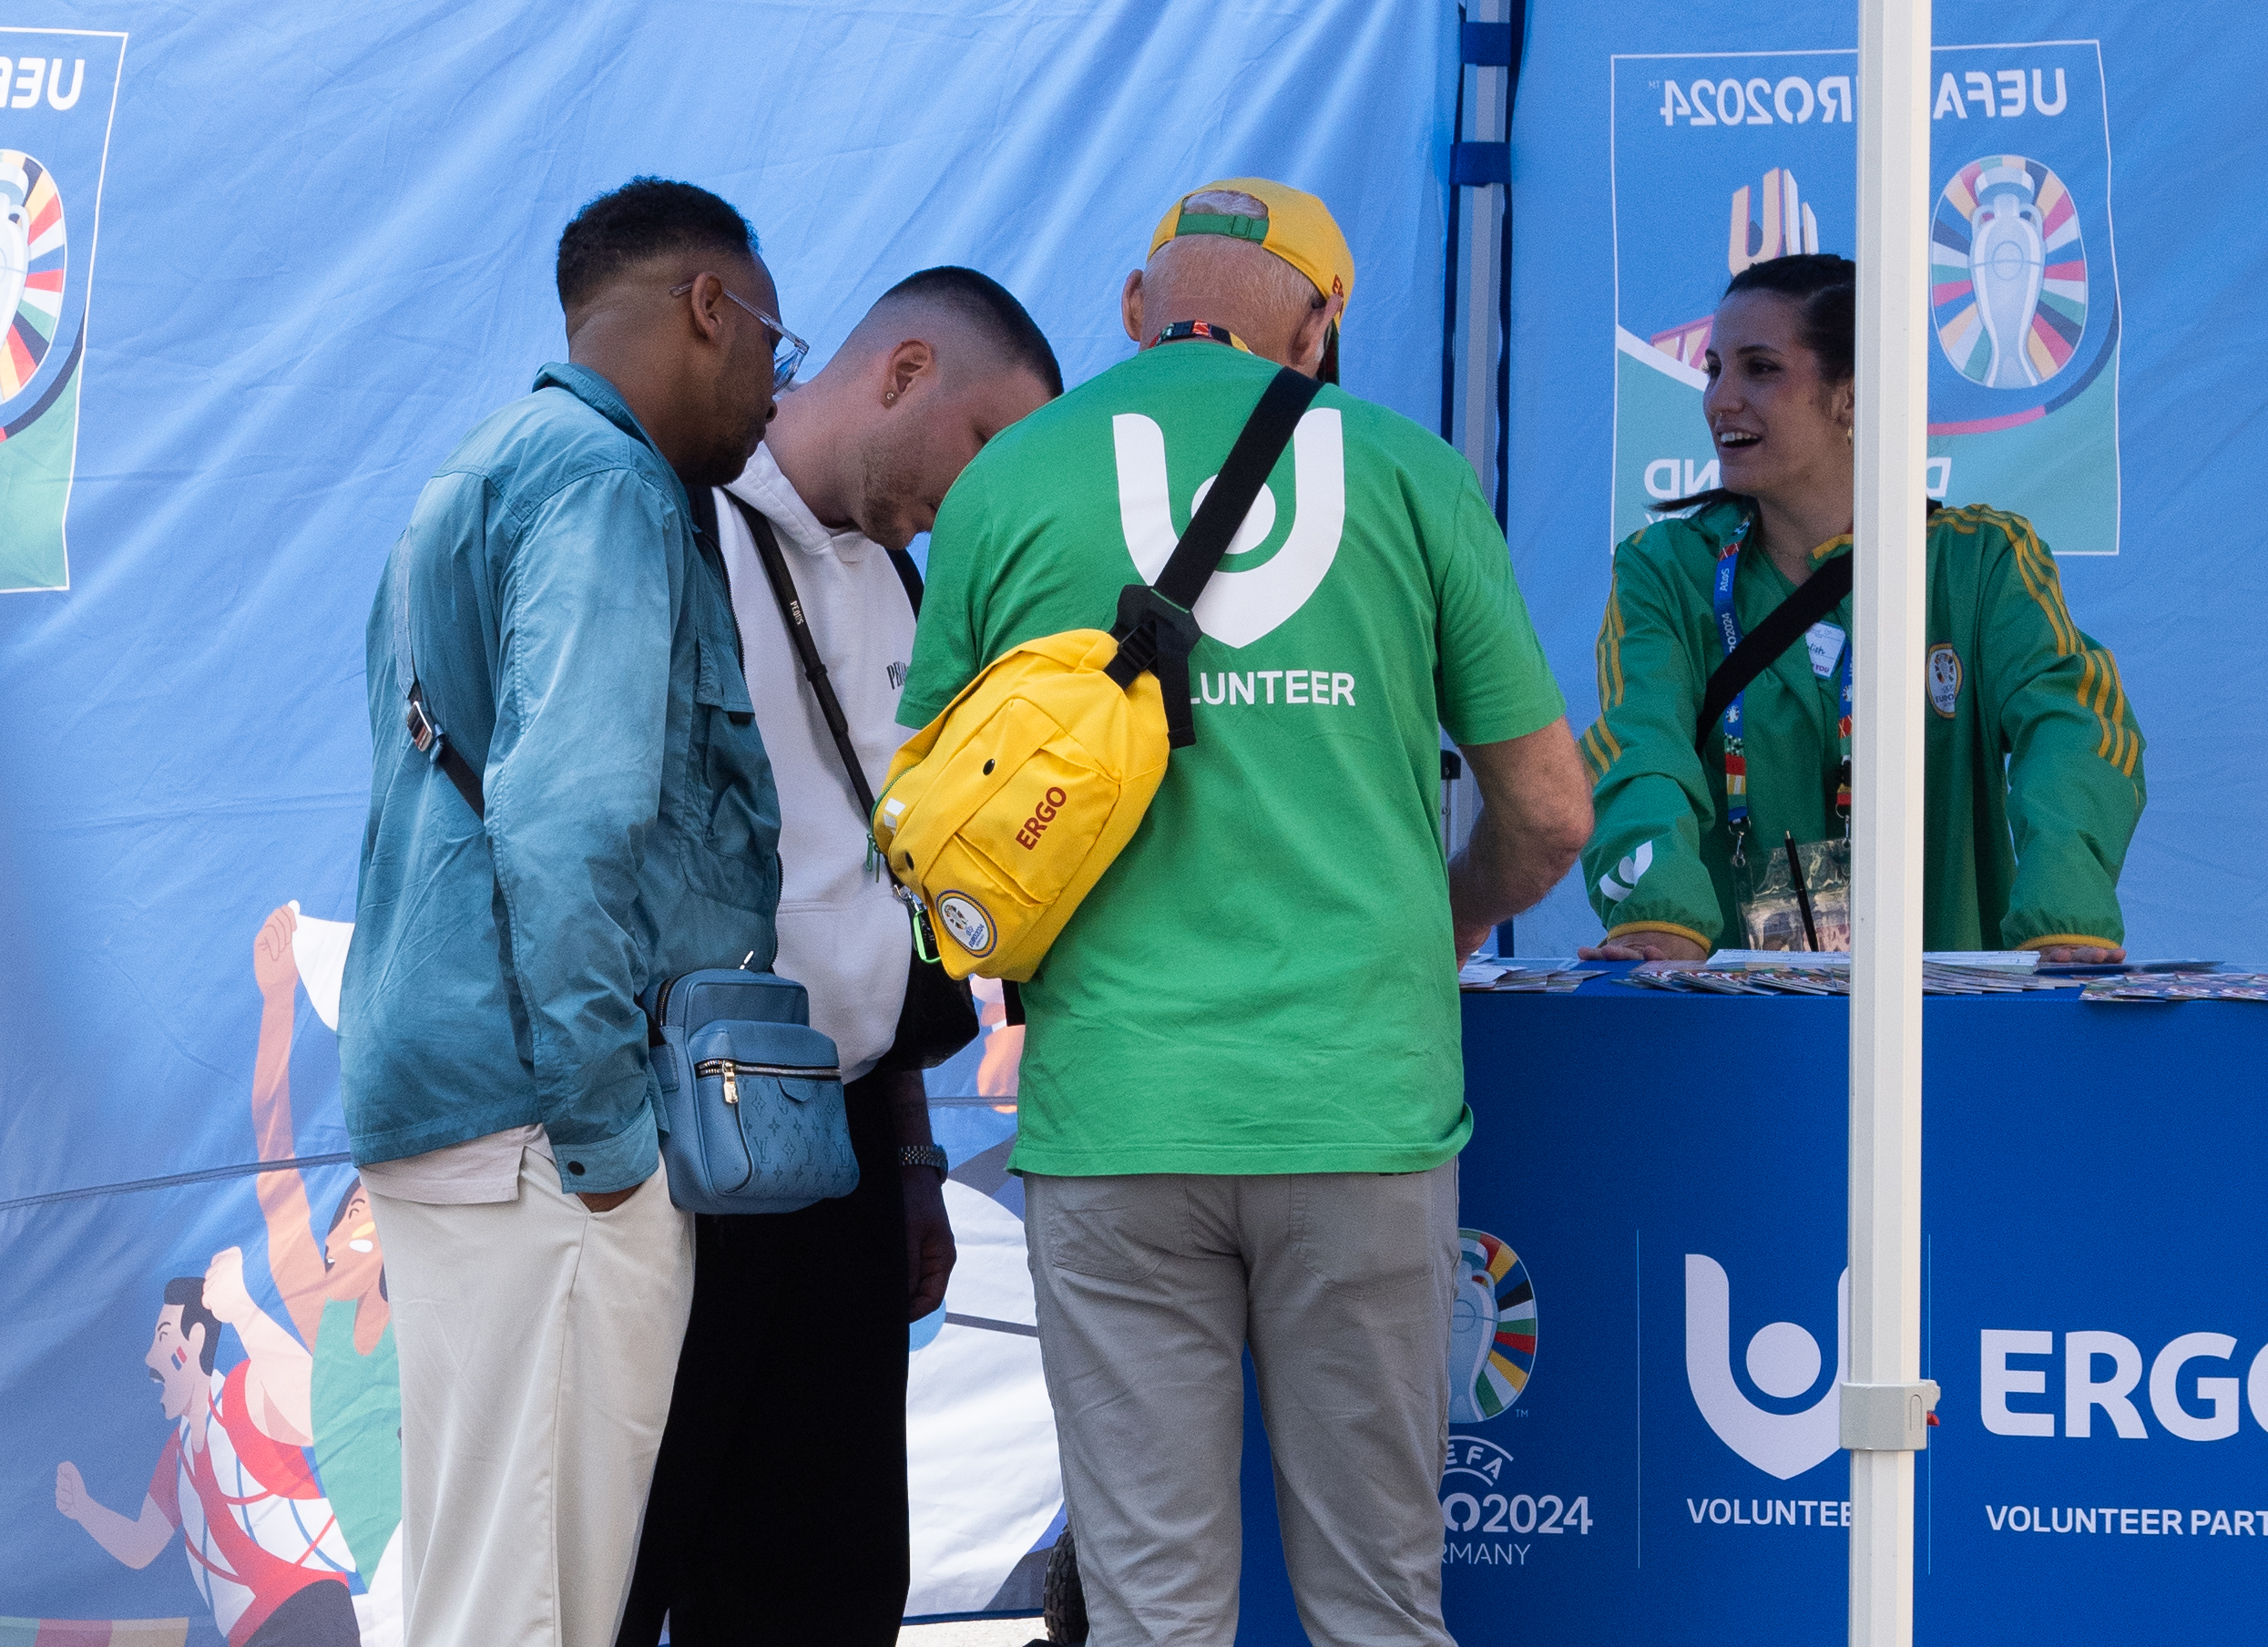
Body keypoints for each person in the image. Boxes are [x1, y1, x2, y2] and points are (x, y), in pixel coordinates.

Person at [898, 179, 1591, 1647]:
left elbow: (925, 820)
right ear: (1321, 329)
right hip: (1359, 1108)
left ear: (1137, 307)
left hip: (1118, 1119)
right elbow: (1546, 817)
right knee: (1376, 1607)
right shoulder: (1407, 472)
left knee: (1155, 1615)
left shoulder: (1008, 481)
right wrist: (1438, 927)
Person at [337, 177, 787, 1647]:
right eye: (774, 346)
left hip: (467, 1091)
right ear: (706, 307)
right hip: (548, 1120)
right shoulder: (604, 482)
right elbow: (573, 812)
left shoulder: (481, 468)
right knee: (532, 1601)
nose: (777, 392)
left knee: (487, 1583)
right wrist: (606, 1130)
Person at [618, 266, 1062, 1646]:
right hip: (673, 1148)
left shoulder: (905, 577)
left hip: (847, 1150)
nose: (980, 491)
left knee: (828, 1579)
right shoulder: (669, 521)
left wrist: (917, 1164)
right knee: (625, 1560)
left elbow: (890, 904)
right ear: (904, 368)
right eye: (983, 442)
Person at [1577, 252, 2144, 962]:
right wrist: (1656, 912)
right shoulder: (1664, 570)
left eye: (1760, 368)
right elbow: (1639, 748)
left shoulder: (1981, 563)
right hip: (1724, 1025)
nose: (1720, 400)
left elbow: (2075, 733)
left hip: (1942, 1028)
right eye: (1713, 370)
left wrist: (2066, 911)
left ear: (1850, 394)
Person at [55, 1267, 363, 1647]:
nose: (151, 1356)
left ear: (196, 1340)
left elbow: (313, 1411)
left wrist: (243, 1310)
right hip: (248, 1636)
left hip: (308, 1612)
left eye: (163, 1337)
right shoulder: (177, 1455)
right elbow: (141, 1545)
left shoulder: (244, 1392)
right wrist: (84, 1508)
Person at [248, 903, 403, 1639]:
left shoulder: (430, 1309)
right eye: (353, 1208)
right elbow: (277, 1176)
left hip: (466, 1564)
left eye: (381, 1206)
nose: (366, 1218)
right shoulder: (325, 1319)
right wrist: (279, 1005)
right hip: (393, 1598)